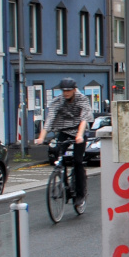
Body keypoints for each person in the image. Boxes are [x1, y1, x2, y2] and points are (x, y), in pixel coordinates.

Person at [34, 78, 93, 214]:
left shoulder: (82, 99)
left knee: (77, 161)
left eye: (68, 91)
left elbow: (84, 118)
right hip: (64, 131)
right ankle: (64, 183)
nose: (66, 93)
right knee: (58, 156)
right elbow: (50, 119)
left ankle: (79, 194)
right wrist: (41, 137)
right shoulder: (58, 101)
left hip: (79, 131)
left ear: (74, 90)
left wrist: (79, 135)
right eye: (64, 91)